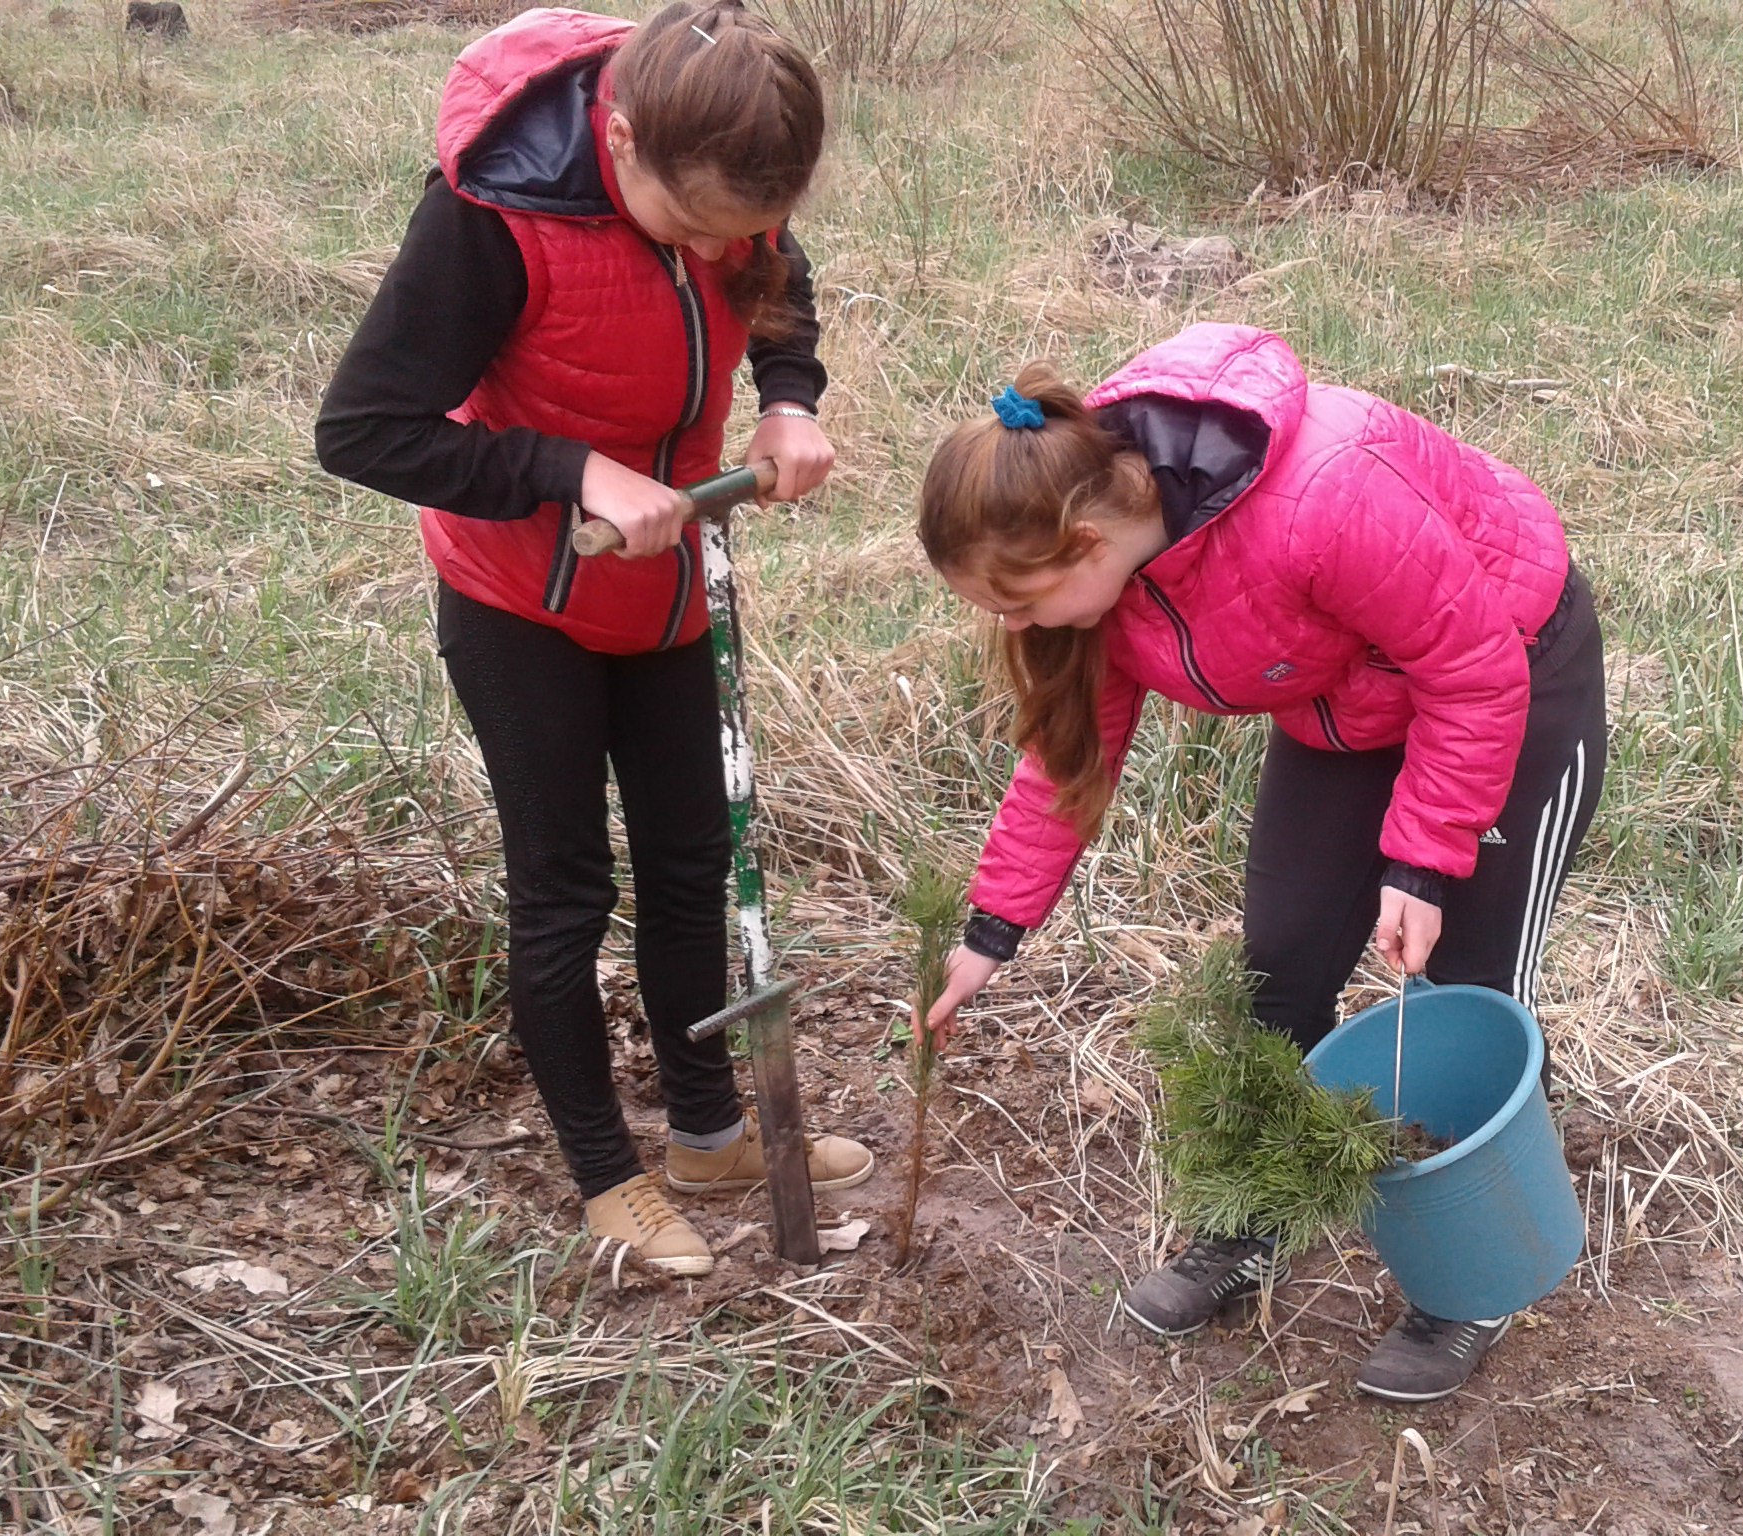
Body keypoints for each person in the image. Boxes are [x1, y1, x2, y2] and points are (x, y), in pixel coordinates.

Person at [915, 324, 1605, 1401]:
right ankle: (1253, 1217)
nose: (1008, 624)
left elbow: (1471, 672)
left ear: (1085, 538)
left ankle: (1472, 1282)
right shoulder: (1109, 568)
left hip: (1506, 668)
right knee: (1277, 964)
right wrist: (989, 932)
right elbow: (1065, 758)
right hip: (1344, 705)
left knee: (1462, 989)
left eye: (1015, 599)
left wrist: (1420, 861)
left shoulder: (1322, 497)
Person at [314, 1, 872, 1279]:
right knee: (567, 889)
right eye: (693, 227)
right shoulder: (490, 218)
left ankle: (707, 1130)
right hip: (524, 607)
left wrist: (788, 401)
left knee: (691, 864)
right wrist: (572, 470)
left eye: (747, 227)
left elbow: (781, 289)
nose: (724, 247)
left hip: (669, 590)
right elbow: (362, 430)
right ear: (616, 140)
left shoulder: (730, 170)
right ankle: (607, 1176)